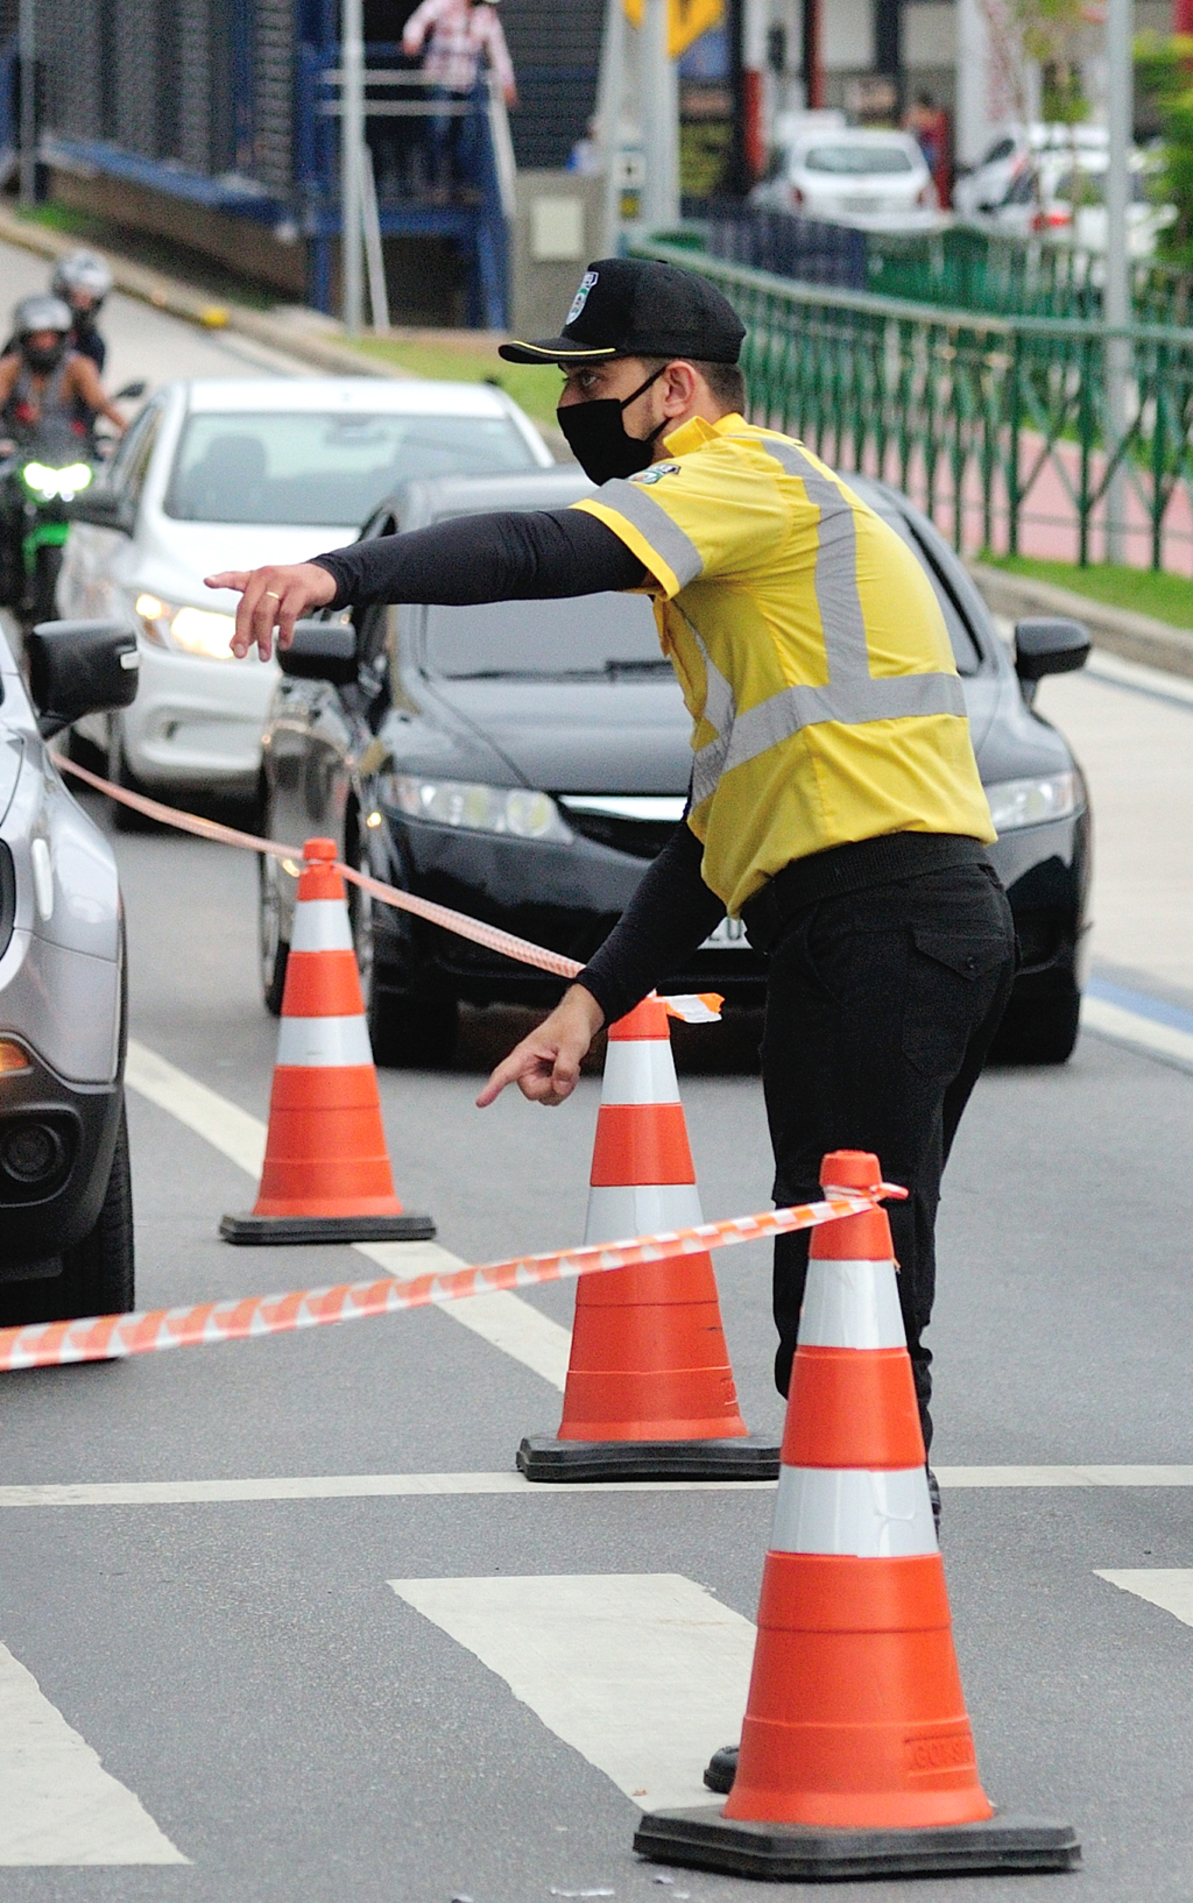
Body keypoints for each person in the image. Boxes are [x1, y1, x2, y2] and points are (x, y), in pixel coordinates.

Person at [207, 262, 1014, 1785]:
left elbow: (536, 541)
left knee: (848, 1306)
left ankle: (875, 1689)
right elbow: (716, 832)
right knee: (835, 1297)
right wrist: (588, 999)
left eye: (588, 381)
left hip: (894, 921)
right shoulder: (729, 579)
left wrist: (340, 574)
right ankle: (867, 1667)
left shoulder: (745, 484)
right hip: (855, 926)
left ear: (675, 388)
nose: (566, 407)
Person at [402, 0, 517, 197]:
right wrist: (412, 38)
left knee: (465, 135)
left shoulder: (487, 16)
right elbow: (419, 20)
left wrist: (507, 83)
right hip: (439, 79)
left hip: (467, 82)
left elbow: (498, 52)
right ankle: (433, 183)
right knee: (438, 129)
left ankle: (461, 185)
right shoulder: (444, 3)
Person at [0, 295, 126, 451]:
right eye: (37, 337)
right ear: (24, 338)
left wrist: (126, 430)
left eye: (50, 336)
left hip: (67, 449)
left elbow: (101, 403)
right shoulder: (9, 368)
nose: (44, 344)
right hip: (18, 448)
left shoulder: (79, 368)